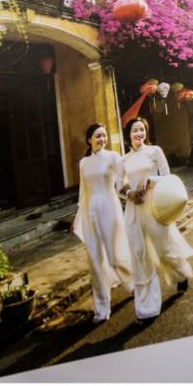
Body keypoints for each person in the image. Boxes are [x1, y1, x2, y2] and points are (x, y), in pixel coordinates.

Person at [122, 117, 193, 301]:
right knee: (140, 252)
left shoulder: (155, 151)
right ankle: (147, 294)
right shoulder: (124, 159)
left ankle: (181, 274)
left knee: (164, 248)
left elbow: (167, 176)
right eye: (135, 130)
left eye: (142, 129)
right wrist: (130, 193)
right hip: (134, 208)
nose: (139, 133)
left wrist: (150, 180)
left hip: (155, 205)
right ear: (128, 134)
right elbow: (120, 185)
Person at [71, 123, 134, 324]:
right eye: (98, 136)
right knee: (95, 260)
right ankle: (101, 308)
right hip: (90, 213)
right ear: (89, 139)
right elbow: (83, 192)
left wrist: (132, 193)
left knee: (115, 256)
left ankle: (132, 284)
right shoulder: (84, 162)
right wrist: (77, 216)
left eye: (104, 135)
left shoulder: (114, 157)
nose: (102, 139)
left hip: (110, 210)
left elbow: (122, 183)